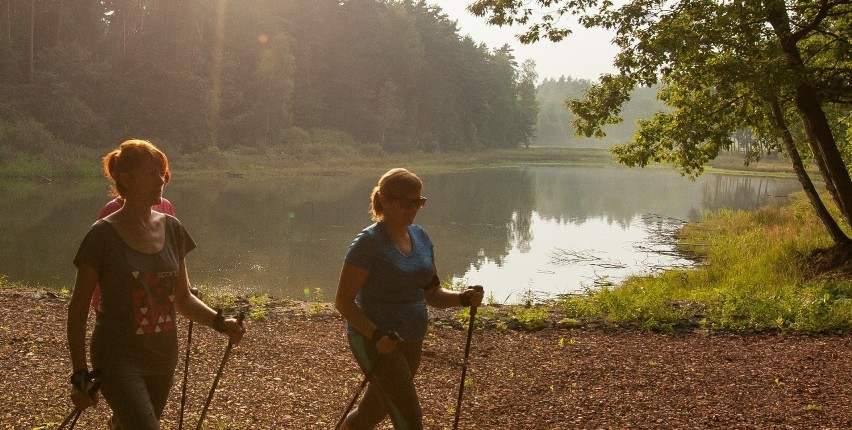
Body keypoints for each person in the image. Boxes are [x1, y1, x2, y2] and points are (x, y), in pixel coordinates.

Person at [66, 139, 245, 429]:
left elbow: (183, 298)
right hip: (117, 358)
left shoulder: (173, 229)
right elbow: (77, 310)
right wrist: (79, 374)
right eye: (150, 173)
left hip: (162, 359)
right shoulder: (102, 235)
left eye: (161, 172)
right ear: (126, 178)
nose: (160, 180)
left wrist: (220, 322)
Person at [334, 168, 484, 430]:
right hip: (376, 341)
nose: (413, 208)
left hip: (412, 338)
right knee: (410, 419)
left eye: (419, 202)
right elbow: (343, 301)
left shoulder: (421, 237)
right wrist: (376, 334)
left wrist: (461, 298)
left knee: (372, 412)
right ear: (384, 200)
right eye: (406, 203)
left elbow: (432, 293)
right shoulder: (367, 244)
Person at [91, 196, 176, 309]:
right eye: (150, 176)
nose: (161, 181)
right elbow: (95, 265)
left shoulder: (165, 206)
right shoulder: (112, 209)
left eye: (163, 177)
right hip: (117, 302)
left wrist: (186, 289)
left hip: (155, 296)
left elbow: (174, 255)